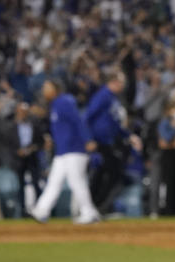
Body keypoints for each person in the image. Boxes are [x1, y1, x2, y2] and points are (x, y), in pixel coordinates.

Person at [31, 79, 101, 224]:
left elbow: (78, 121)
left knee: (77, 182)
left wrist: (87, 139)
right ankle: (41, 210)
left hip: (74, 149)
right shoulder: (55, 104)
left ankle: (89, 212)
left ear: (55, 89)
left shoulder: (64, 102)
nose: (45, 90)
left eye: (47, 87)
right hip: (63, 151)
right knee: (54, 182)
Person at [85, 72, 142, 214]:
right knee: (106, 173)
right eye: (121, 82)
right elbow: (87, 117)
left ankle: (95, 206)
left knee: (108, 173)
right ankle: (93, 205)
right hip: (99, 142)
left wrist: (129, 136)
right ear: (114, 82)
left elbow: (115, 125)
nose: (123, 86)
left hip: (108, 142)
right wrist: (88, 138)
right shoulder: (103, 96)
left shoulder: (112, 98)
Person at [157, 105, 175, 215]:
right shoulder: (164, 123)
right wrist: (174, 128)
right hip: (168, 154)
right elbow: (167, 138)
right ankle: (169, 209)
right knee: (169, 181)